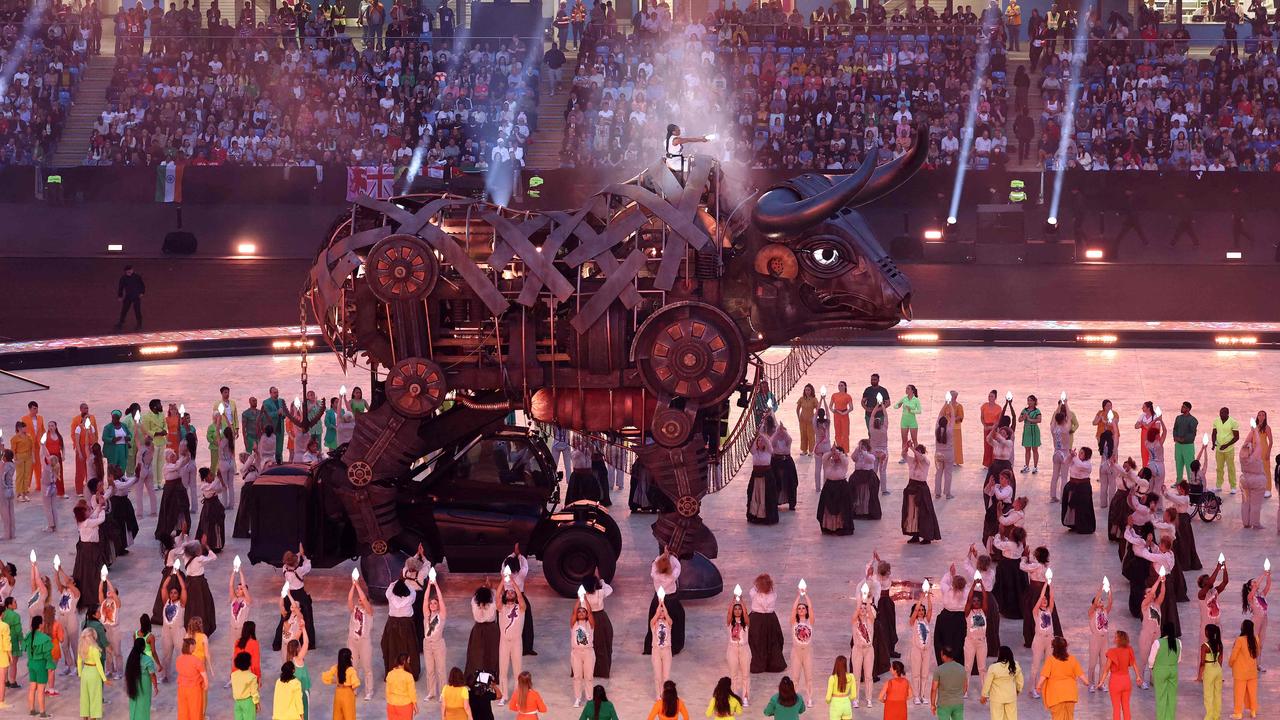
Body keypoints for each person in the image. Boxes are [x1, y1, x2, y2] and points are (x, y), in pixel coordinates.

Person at [1037, 637, 1084, 720]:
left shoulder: (1051, 660)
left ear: (1053, 648)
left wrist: (1038, 686)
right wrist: (1087, 682)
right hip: (1070, 695)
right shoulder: (1072, 659)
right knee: (1070, 717)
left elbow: (1043, 676)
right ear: (1066, 647)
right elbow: (1081, 676)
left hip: (1056, 696)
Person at [902, 444, 941, 544]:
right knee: (912, 513)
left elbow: (920, 457)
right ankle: (915, 535)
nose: (916, 454)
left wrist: (912, 448)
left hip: (921, 488)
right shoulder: (912, 461)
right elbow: (903, 455)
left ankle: (927, 536)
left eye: (918, 451)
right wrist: (906, 447)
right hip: (912, 486)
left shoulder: (925, 461)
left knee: (924, 513)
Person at [464, 581, 498, 679]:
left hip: (478, 629)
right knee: (491, 653)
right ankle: (490, 676)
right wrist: (490, 588)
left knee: (477, 654)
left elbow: (476, 596)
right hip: (491, 630)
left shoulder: (475, 602)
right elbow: (496, 594)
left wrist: (484, 587)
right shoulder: (492, 603)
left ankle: (476, 676)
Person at [980, 646, 1023, 720]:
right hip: (1011, 697)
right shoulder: (1015, 665)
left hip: (997, 698)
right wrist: (1018, 690)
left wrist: (984, 695)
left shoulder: (993, 667)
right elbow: (1020, 681)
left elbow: (987, 683)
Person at [1061, 447, 1095, 533]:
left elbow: (1080, 465)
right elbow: (1065, 462)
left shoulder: (1087, 464)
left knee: (1082, 508)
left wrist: (1074, 456)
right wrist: (1070, 456)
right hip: (1073, 485)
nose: (1080, 454)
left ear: (1087, 455)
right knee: (1072, 508)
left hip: (1083, 488)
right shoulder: (1075, 460)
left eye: (1082, 453)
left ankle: (1084, 526)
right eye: (1079, 452)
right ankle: (1073, 524)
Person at [25, 614, 53, 718]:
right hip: (41, 665)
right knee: (41, 690)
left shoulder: (28, 636)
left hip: (31, 664)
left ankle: (32, 710)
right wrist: (51, 666)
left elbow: (27, 650)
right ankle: (42, 712)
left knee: (32, 688)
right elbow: (48, 655)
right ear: (40, 625)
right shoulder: (44, 638)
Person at [1150, 622, 1180, 720]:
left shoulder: (1158, 642)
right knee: (1171, 697)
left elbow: (1151, 660)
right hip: (1173, 670)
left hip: (1160, 670)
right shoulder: (1178, 642)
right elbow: (1179, 659)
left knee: (1161, 697)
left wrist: (1151, 668)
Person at [1229, 620, 1259, 719]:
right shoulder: (1256, 639)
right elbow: (1257, 653)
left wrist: (1230, 663)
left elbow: (1234, 655)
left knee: (1238, 693)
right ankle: (1253, 711)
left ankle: (1238, 713)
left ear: (1244, 628)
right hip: (1252, 672)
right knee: (1252, 693)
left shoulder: (1240, 640)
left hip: (1240, 672)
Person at [320, 648, 359, 720]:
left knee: (338, 715)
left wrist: (336, 682)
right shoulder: (351, 670)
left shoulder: (336, 667)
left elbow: (325, 677)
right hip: (348, 694)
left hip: (338, 694)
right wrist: (348, 686)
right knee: (349, 715)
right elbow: (356, 684)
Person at [126, 636, 158, 720]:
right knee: (144, 706)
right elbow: (152, 675)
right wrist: (155, 686)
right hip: (144, 685)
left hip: (132, 684)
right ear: (143, 647)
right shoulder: (147, 659)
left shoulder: (130, 659)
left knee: (134, 706)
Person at [77, 627, 107, 719]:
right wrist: (104, 679)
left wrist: (80, 674)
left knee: (84, 696)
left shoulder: (81, 647)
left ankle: (85, 717)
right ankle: (94, 717)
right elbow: (99, 665)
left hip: (85, 671)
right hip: (94, 673)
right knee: (95, 697)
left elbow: (78, 661)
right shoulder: (94, 649)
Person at [931, 646, 966, 720]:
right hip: (958, 703)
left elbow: (934, 689)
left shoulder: (939, 670)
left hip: (944, 704)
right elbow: (965, 687)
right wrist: (957, 696)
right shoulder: (962, 668)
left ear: (944, 656)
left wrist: (933, 704)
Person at [176, 638, 207, 720]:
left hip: (182, 688)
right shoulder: (196, 661)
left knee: (183, 711)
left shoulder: (179, 659)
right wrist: (206, 685)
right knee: (195, 711)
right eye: (194, 645)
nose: (195, 647)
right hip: (194, 689)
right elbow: (204, 675)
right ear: (190, 646)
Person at [1196, 624, 1223, 720]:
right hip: (1218, 669)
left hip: (1209, 670)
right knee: (1217, 694)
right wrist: (1219, 671)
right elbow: (1220, 660)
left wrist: (1199, 676)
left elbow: (1202, 663)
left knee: (1208, 694)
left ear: (1207, 633)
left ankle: (1209, 716)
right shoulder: (1219, 644)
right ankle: (1216, 716)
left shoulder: (1205, 646)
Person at [650, 596, 675, 699]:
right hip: (656, 651)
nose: (661, 613)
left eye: (662, 612)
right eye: (659, 612)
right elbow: (653, 619)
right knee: (657, 675)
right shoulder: (654, 623)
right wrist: (658, 609)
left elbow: (669, 619)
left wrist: (663, 605)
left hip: (666, 651)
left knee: (666, 676)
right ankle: (658, 695)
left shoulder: (668, 623)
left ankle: (666, 694)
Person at [1212, 407, 1240, 493]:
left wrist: (1227, 445)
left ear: (1227, 413)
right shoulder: (1216, 421)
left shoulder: (1233, 422)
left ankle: (1233, 486)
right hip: (1219, 449)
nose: (1221, 415)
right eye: (1220, 413)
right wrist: (1213, 443)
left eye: (1223, 413)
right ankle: (1218, 485)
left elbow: (1237, 437)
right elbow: (1214, 433)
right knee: (1219, 468)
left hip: (1229, 450)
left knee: (1231, 468)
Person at [894, 385, 921, 464]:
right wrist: (898, 405)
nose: (906, 390)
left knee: (914, 439)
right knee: (904, 440)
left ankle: (917, 457)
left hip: (912, 422)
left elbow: (919, 411)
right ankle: (904, 457)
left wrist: (911, 411)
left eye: (908, 388)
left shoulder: (916, 400)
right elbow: (895, 406)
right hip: (904, 421)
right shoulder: (904, 399)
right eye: (906, 388)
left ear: (912, 390)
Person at [384, 654, 416, 720]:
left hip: (391, 706)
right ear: (404, 662)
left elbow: (387, 691)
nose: (409, 662)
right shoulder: (408, 676)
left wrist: (390, 702)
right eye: (408, 661)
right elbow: (412, 692)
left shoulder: (390, 674)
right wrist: (415, 705)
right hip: (405, 706)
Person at [116, 265, 145, 331]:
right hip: (128, 296)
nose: (129, 272)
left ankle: (139, 324)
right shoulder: (123, 278)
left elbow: (142, 285)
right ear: (126, 272)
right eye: (128, 271)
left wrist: (142, 293)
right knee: (124, 310)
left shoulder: (137, 277)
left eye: (130, 271)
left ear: (132, 270)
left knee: (137, 311)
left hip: (136, 296)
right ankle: (121, 322)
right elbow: (121, 287)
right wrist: (120, 296)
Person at [1019, 396, 1042, 473]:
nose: (1029, 402)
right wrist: (1023, 417)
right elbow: (1019, 419)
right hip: (1027, 431)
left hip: (1034, 431)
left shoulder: (1037, 411)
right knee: (1027, 449)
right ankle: (1027, 466)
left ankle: (1035, 467)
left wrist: (1029, 419)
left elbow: (1039, 420)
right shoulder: (1024, 410)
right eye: (1028, 400)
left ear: (1034, 402)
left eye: (1031, 400)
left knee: (1035, 449)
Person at [980, 391, 1003, 468]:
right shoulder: (984, 406)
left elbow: (999, 420)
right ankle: (987, 463)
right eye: (989, 396)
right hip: (986, 427)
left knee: (994, 445)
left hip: (994, 427)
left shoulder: (999, 408)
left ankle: (994, 463)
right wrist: (984, 425)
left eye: (992, 396)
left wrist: (994, 427)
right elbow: (982, 417)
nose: (990, 398)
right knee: (987, 445)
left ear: (995, 398)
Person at [796, 385, 819, 456]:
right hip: (802, 420)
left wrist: (814, 418)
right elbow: (798, 408)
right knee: (803, 435)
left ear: (811, 390)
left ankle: (811, 451)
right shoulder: (801, 399)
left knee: (811, 435)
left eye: (809, 390)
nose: (807, 391)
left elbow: (817, 409)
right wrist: (798, 417)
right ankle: (804, 450)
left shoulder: (814, 399)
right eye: (806, 390)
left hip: (810, 421)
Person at [832, 381, 854, 450]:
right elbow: (830, 406)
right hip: (836, 415)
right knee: (837, 433)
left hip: (844, 415)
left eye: (841, 385)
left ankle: (845, 450)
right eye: (839, 385)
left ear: (845, 386)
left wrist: (844, 413)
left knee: (845, 433)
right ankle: (839, 448)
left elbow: (851, 408)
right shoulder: (834, 395)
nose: (840, 387)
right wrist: (833, 410)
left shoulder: (848, 396)